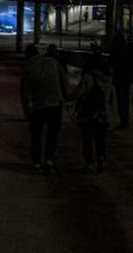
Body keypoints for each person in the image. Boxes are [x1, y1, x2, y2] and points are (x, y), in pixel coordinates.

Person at [20, 44, 68, 173]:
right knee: (52, 134)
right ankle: (49, 159)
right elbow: (64, 81)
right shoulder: (53, 62)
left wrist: (27, 112)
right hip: (55, 104)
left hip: (38, 106)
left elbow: (25, 93)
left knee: (36, 135)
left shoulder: (28, 68)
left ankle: (36, 162)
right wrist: (64, 97)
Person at [72, 50, 117, 173]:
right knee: (100, 139)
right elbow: (112, 99)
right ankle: (101, 159)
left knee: (87, 139)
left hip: (88, 114)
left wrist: (70, 98)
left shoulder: (88, 77)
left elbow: (79, 92)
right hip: (103, 114)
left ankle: (89, 163)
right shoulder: (108, 79)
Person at [108, 33, 131, 129]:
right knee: (125, 100)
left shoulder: (114, 52)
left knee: (120, 100)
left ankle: (123, 120)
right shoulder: (126, 51)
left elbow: (111, 63)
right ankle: (125, 120)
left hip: (118, 78)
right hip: (126, 78)